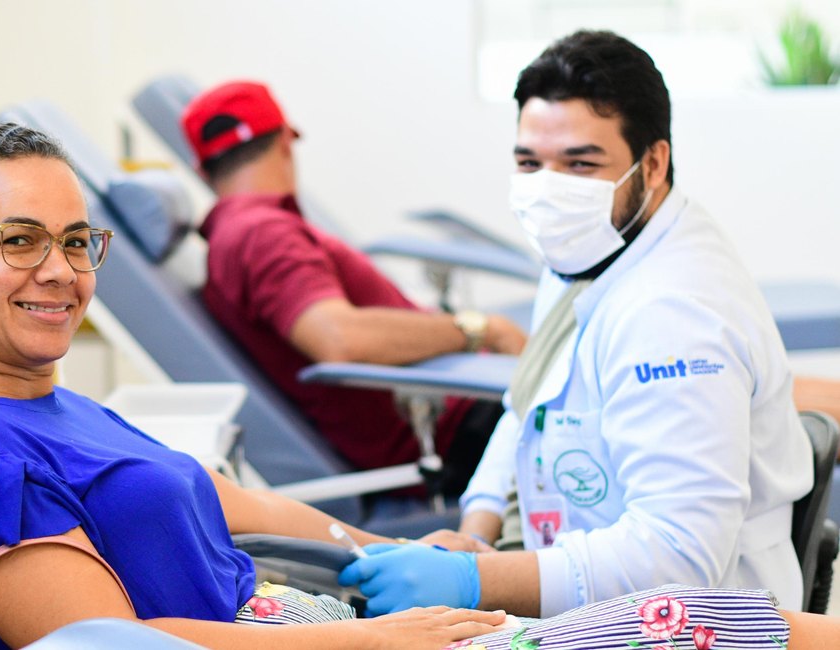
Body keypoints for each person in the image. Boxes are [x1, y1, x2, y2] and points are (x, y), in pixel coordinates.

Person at [0, 121, 835, 650]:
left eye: (74, 241)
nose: (58, 271)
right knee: (690, 626)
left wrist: (381, 549)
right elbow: (109, 649)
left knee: (717, 622)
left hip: (310, 619)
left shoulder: (53, 404)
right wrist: (373, 641)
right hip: (319, 645)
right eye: (18, 241)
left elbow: (225, 498)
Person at [338, 30, 815, 620]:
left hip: (685, 624)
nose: (549, 189)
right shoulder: (587, 251)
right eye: (529, 163)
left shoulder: (674, 312)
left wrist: (475, 579)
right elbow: (526, 406)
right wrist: (477, 530)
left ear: (655, 162)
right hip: (581, 583)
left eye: (581, 164)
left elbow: (680, 559)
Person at [180, 81, 527, 495]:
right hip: (459, 430)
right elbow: (339, 338)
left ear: (203, 171)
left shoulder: (241, 231)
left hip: (453, 401)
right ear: (286, 142)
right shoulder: (263, 234)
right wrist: (481, 329)